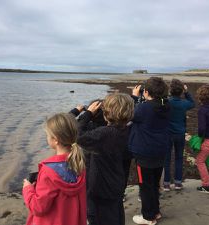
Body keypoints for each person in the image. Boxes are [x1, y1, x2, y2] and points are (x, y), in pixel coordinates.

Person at [77, 93, 134, 225]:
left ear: (106, 113)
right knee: (116, 213)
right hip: (118, 182)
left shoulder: (104, 134)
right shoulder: (128, 130)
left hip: (100, 187)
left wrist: (88, 114)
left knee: (96, 217)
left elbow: (77, 134)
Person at [22, 113, 86, 225]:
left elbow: (38, 207)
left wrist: (27, 189)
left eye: (47, 135)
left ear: (55, 140)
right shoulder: (79, 162)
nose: (46, 137)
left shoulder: (48, 171)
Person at [129, 77, 170, 225]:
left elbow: (128, 115)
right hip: (159, 151)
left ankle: (148, 217)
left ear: (146, 92)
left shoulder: (143, 108)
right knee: (153, 185)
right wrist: (143, 99)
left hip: (145, 153)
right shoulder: (165, 105)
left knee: (145, 186)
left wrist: (134, 97)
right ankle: (155, 211)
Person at [163, 79, 195, 191]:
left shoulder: (166, 102)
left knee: (166, 159)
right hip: (180, 133)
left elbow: (159, 101)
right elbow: (192, 103)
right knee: (179, 158)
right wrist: (186, 92)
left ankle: (166, 183)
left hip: (167, 134)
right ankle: (177, 183)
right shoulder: (184, 103)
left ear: (170, 90)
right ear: (181, 91)